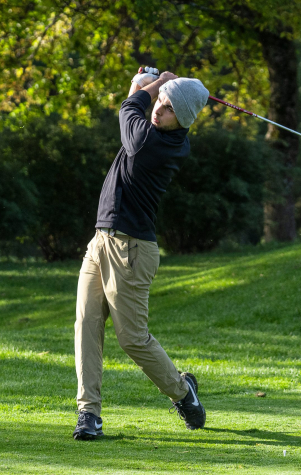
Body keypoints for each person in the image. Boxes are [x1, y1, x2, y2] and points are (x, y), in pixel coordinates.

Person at [72, 67, 210, 440]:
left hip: (132, 249)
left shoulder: (156, 144)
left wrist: (155, 82)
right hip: (101, 241)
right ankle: (89, 414)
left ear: (180, 120)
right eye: (161, 103)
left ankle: (183, 392)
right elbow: (136, 103)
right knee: (86, 325)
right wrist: (149, 83)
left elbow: (128, 107)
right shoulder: (151, 131)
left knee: (132, 337)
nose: (158, 110)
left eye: (167, 108)